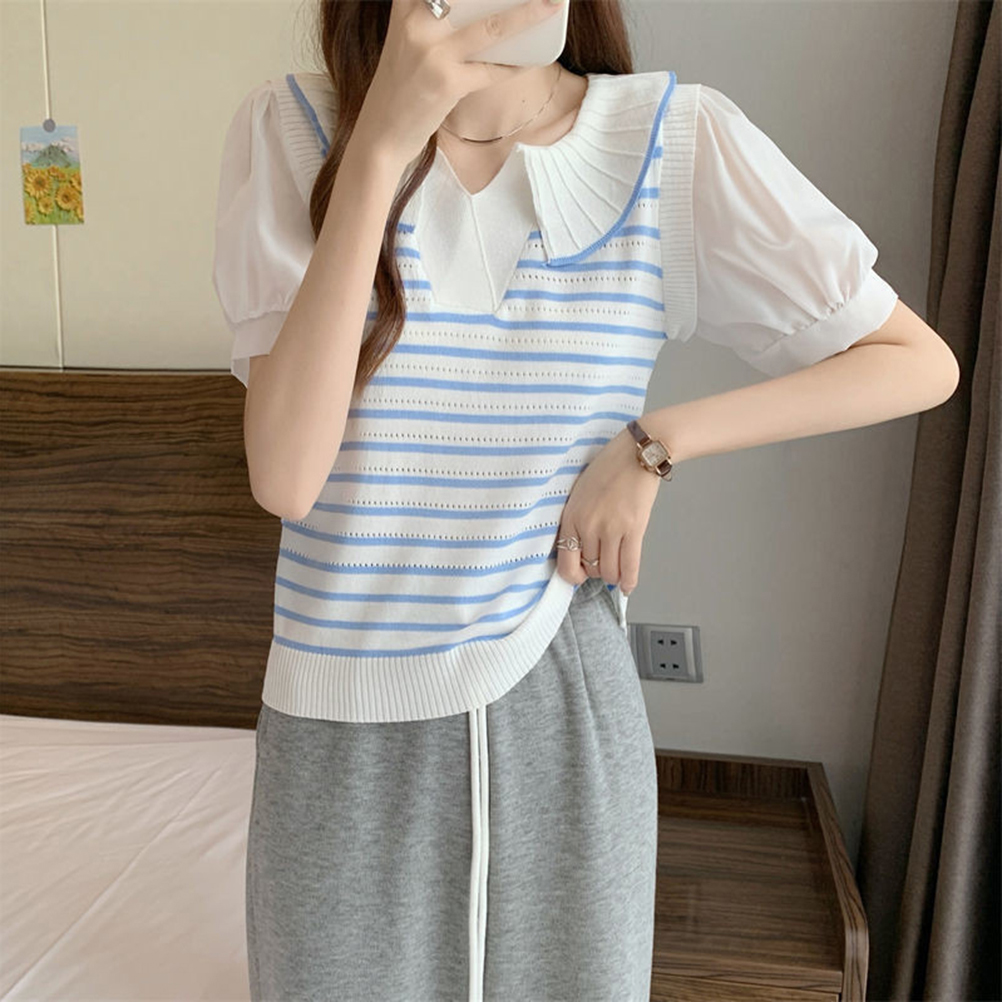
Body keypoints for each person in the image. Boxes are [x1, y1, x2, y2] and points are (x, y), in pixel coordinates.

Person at [211, 0, 959, 998]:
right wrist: (381, 144)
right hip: (336, 730)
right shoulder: (292, 128)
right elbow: (286, 477)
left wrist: (657, 444)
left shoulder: (672, 140)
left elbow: (915, 362)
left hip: (558, 704)